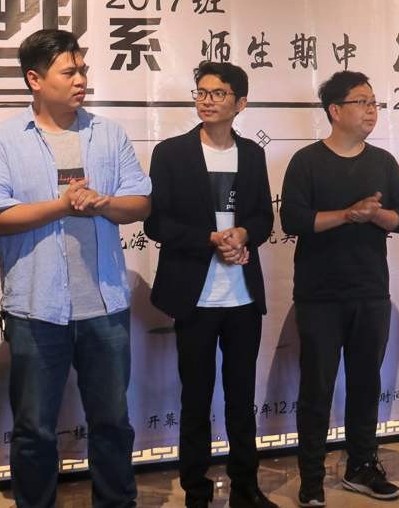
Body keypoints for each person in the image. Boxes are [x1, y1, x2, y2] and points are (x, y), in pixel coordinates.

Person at [0, 29, 151, 507]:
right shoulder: (2, 141)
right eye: (69, 71)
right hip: (36, 308)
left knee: (112, 423)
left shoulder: (108, 134)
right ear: (35, 79)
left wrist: (104, 203)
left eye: (83, 70)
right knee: (34, 430)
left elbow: (140, 203)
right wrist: (62, 205)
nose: (80, 80)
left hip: (105, 306)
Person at [144, 61, 275, 508]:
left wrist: (244, 234)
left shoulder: (252, 154)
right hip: (194, 297)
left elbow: (263, 216)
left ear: (240, 103)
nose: (207, 100)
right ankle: (196, 492)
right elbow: (157, 223)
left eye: (218, 93)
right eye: (201, 92)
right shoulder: (171, 153)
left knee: (241, 399)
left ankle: (246, 488)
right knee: (195, 399)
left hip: (242, 298)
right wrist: (209, 239)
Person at [280, 71, 399, 506]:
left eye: (374, 102)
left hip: (371, 293)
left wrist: (375, 216)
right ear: (335, 111)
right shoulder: (306, 161)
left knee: (365, 385)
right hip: (319, 296)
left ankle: (362, 466)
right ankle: (312, 477)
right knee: (316, 390)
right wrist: (347, 214)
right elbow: (294, 220)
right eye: (362, 102)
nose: (372, 110)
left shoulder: (383, 162)